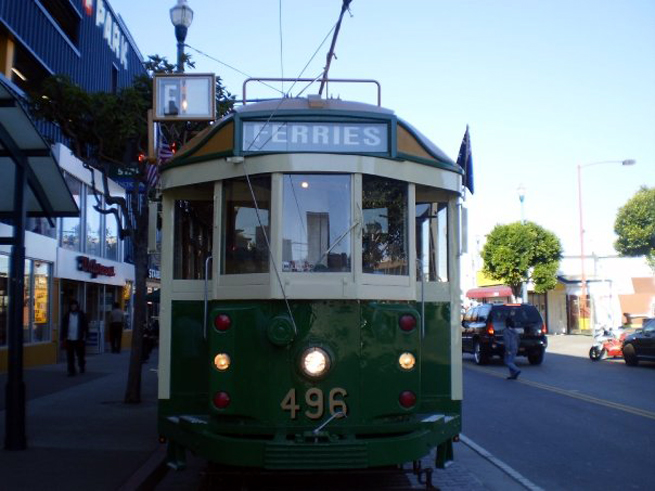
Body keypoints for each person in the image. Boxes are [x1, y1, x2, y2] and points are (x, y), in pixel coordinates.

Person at [61, 300, 89, 376]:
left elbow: (85, 325)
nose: (73, 307)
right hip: (69, 338)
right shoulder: (67, 315)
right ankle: (71, 371)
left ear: (77, 306)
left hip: (79, 338)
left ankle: (82, 366)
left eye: (74, 305)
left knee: (80, 354)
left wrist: (86, 335)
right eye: (72, 305)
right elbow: (64, 327)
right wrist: (63, 337)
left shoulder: (81, 314)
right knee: (70, 356)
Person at [503, 316, 521, 380]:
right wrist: (517, 346)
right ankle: (513, 375)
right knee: (511, 361)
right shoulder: (515, 331)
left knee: (508, 362)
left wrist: (507, 349)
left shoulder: (506, 331)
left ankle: (517, 370)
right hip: (515, 347)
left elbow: (507, 341)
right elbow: (518, 339)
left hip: (510, 348)